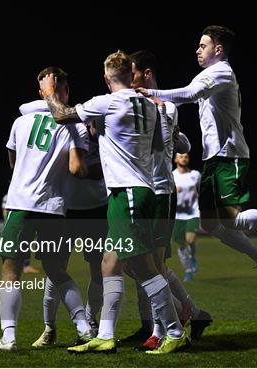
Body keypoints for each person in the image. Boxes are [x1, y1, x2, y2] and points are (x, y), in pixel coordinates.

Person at [137, 25, 257, 290]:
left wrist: (150, 93)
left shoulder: (222, 72)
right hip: (213, 158)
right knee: (211, 225)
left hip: (229, 155)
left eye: (203, 45)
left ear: (218, 50)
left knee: (232, 219)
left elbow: (188, 94)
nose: (197, 49)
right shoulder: (209, 74)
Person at [39, 51, 189, 354]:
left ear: (107, 78)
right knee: (109, 263)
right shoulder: (150, 105)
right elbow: (161, 144)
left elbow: (60, 114)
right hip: (142, 189)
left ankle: (174, 331)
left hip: (128, 193)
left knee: (144, 268)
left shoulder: (105, 102)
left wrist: (50, 94)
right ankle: (105, 334)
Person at [0, 67, 93, 352]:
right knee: (58, 271)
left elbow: (13, 162)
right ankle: (83, 329)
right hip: (54, 207)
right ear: (66, 91)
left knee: (10, 271)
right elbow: (76, 169)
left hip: (20, 204)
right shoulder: (75, 126)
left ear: (40, 90)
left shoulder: (20, 122)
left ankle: (8, 338)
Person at [129, 50, 211, 351]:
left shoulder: (164, 107)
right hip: (141, 190)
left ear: (146, 74)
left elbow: (168, 138)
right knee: (137, 264)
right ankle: (190, 312)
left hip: (159, 191)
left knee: (152, 264)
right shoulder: (141, 105)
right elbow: (180, 141)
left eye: (132, 73)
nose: (128, 78)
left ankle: (161, 329)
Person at [17, 101, 108, 348]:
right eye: (90, 120)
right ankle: (50, 327)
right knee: (54, 269)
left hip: (97, 210)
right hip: (65, 210)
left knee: (99, 270)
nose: (94, 125)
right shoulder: (70, 128)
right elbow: (25, 108)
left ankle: (90, 321)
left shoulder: (108, 139)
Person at [172, 152, 201, 282]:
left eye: (186, 156)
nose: (184, 158)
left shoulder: (195, 175)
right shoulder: (171, 176)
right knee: (181, 244)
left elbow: (200, 190)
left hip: (192, 213)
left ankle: (193, 257)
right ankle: (188, 270)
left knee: (190, 240)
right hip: (177, 215)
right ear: (175, 159)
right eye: (181, 156)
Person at [2, 192, 40, 274]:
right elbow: (5, 210)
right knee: (15, 246)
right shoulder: (8, 196)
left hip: (22, 221)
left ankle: (25, 265)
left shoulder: (22, 194)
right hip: (15, 223)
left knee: (26, 244)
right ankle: (17, 266)